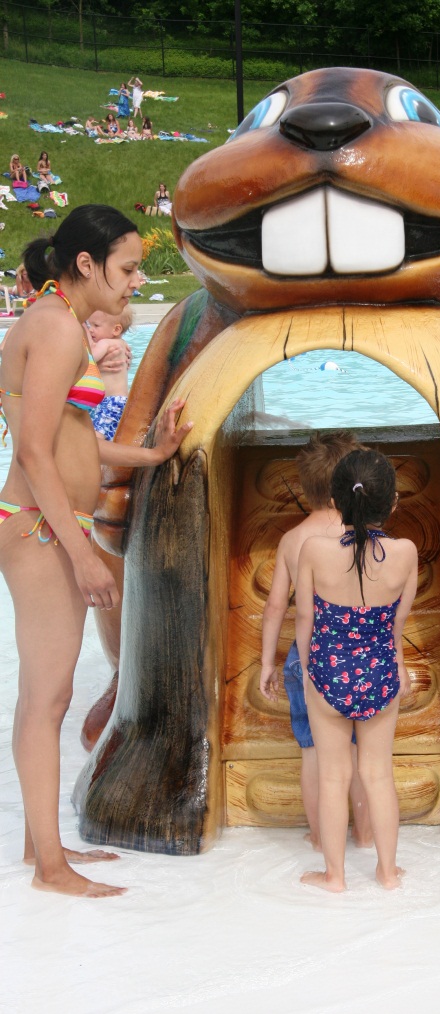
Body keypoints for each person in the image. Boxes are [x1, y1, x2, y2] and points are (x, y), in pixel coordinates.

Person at [0, 204, 192, 898]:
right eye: (130, 267)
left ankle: (38, 846)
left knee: (41, 696)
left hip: (43, 518)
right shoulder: (53, 329)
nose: (137, 280)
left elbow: (77, 440)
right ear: (87, 264)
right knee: (48, 699)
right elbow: (35, 451)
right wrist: (81, 551)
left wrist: (152, 452)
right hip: (40, 523)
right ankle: (51, 867)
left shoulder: (58, 323)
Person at [295, 449, 417, 892]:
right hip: (381, 671)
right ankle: (386, 872)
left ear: (336, 499)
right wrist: (396, 666)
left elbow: (304, 619)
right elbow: (398, 624)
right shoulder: (406, 553)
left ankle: (335, 877)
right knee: (378, 775)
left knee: (333, 776)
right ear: (394, 502)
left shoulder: (314, 550)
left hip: (328, 669)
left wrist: (311, 671)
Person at [259, 432, 373, 852]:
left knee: (313, 753)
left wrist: (266, 663)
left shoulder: (293, 539)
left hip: (308, 659)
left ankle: (322, 839)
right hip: (361, 655)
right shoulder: (364, 533)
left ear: (305, 486)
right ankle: (364, 835)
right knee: (361, 751)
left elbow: (275, 608)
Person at [86, 306, 133, 440]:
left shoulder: (106, 343)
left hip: (111, 401)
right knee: (109, 435)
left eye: (96, 325)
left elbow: (91, 358)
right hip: (119, 401)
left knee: (96, 438)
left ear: (116, 329)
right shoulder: (122, 343)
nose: (90, 330)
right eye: (89, 325)